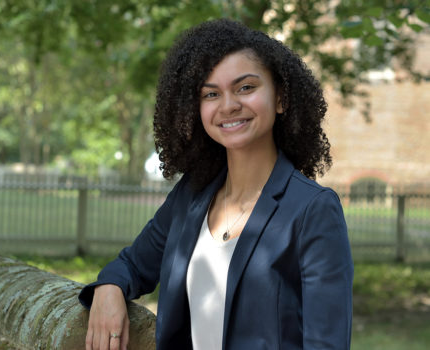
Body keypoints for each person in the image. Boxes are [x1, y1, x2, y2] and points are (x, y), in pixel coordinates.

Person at [79, 19, 353, 350]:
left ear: (281, 98)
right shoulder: (192, 196)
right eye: (211, 94)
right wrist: (109, 289)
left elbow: (327, 343)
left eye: (246, 87)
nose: (228, 105)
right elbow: (132, 265)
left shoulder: (313, 210)